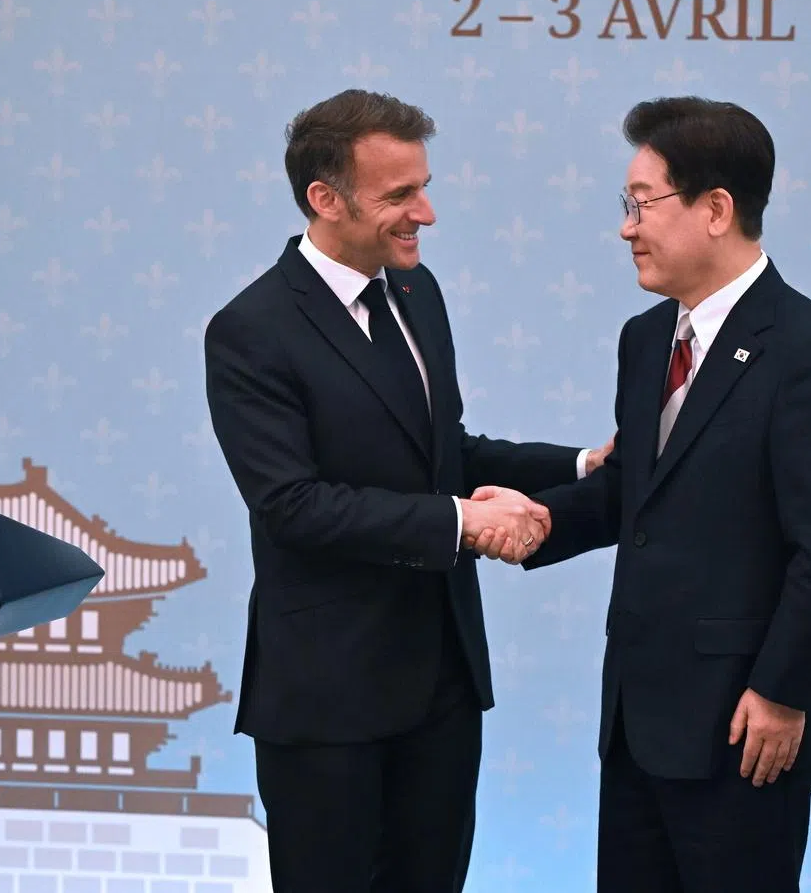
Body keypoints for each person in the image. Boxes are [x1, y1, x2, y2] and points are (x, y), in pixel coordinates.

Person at [203, 88, 610, 893]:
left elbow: (441, 451)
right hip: (330, 698)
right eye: (399, 195)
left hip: (441, 683)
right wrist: (465, 523)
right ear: (325, 199)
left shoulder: (418, 295)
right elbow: (293, 505)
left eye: (424, 187)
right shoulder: (251, 329)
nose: (425, 212)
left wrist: (580, 466)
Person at [474, 97, 811, 893]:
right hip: (636, 717)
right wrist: (540, 518)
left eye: (642, 203)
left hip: (744, 725)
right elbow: (638, 491)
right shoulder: (648, 338)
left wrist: (781, 692)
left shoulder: (809, 355)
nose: (627, 227)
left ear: (717, 209)